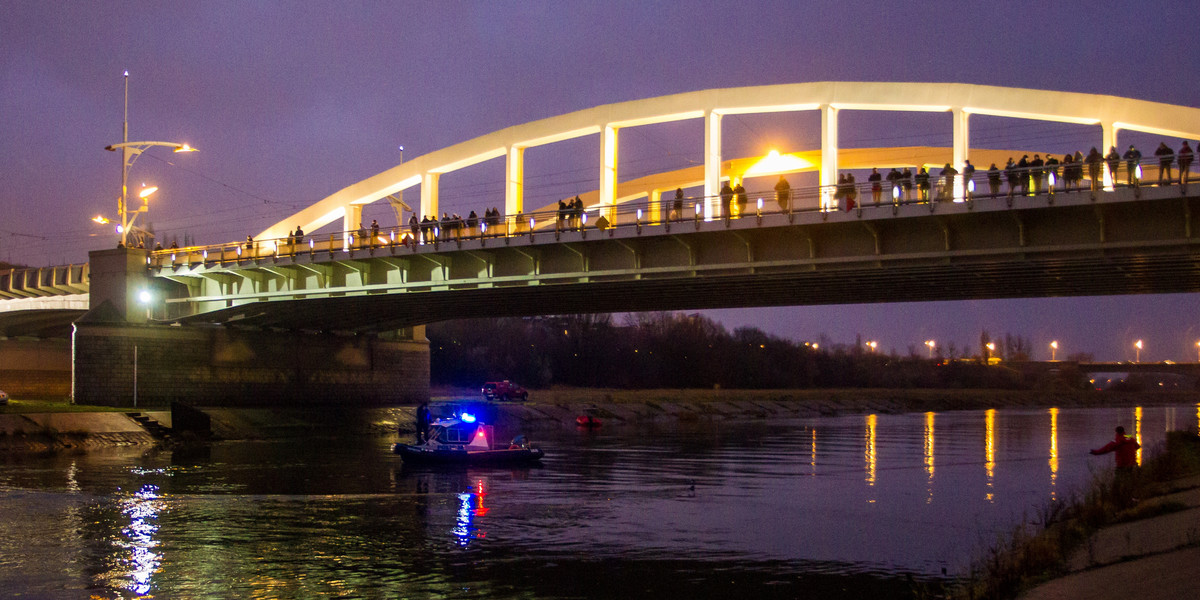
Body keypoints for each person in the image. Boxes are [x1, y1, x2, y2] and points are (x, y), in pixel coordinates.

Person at [1090, 425, 1141, 506]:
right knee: (1130, 482)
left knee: (1118, 483)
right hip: (1131, 465)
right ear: (1124, 431)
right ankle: (1133, 498)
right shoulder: (1130, 437)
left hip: (1121, 466)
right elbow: (1138, 446)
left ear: (1116, 432)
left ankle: (1120, 501)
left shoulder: (1117, 440)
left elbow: (1106, 449)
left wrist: (1095, 452)